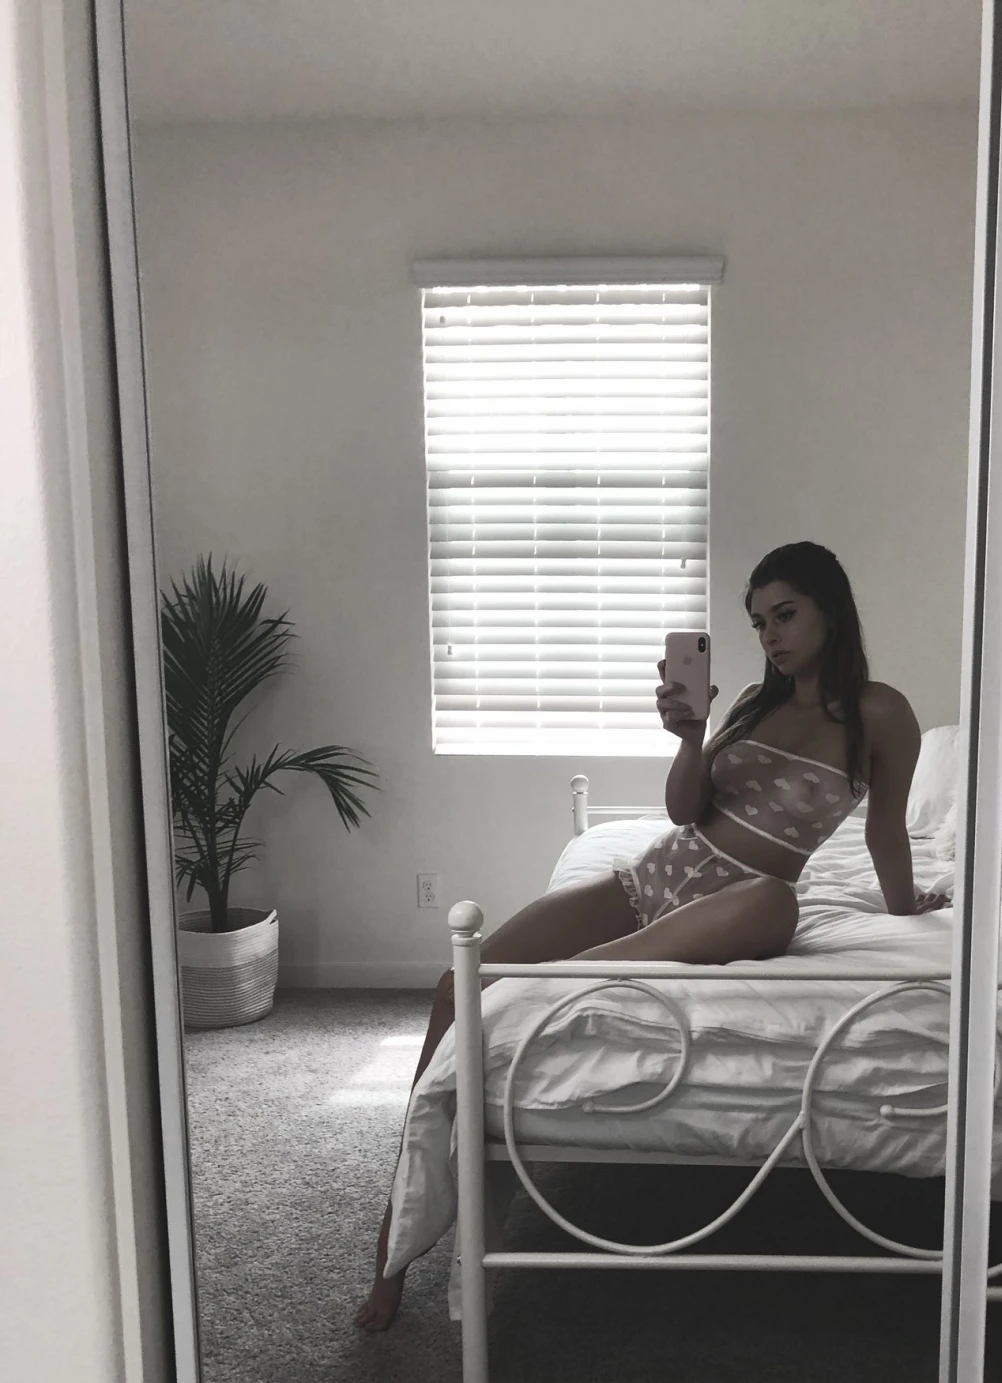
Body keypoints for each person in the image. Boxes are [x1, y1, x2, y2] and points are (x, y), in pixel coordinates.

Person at [356, 540, 948, 1331]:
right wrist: (690, 736)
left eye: (785, 615)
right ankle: (390, 1249)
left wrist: (907, 906)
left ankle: (563, 978)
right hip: (650, 881)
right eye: (758, 622)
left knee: (777, 899)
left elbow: (885, 830)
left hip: (741, 905)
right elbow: (683, 810)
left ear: (829, 610)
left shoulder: (881, 712)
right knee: (452, 986)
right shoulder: (752, 701)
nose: (770, 635)